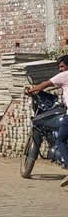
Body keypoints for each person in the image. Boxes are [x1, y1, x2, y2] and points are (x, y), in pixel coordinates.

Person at [26, 55, 68, 188]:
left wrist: (31, 90)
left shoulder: (65, 75)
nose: (60, 69)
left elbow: (45, 84)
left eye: (62, 66)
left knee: (61, 140)